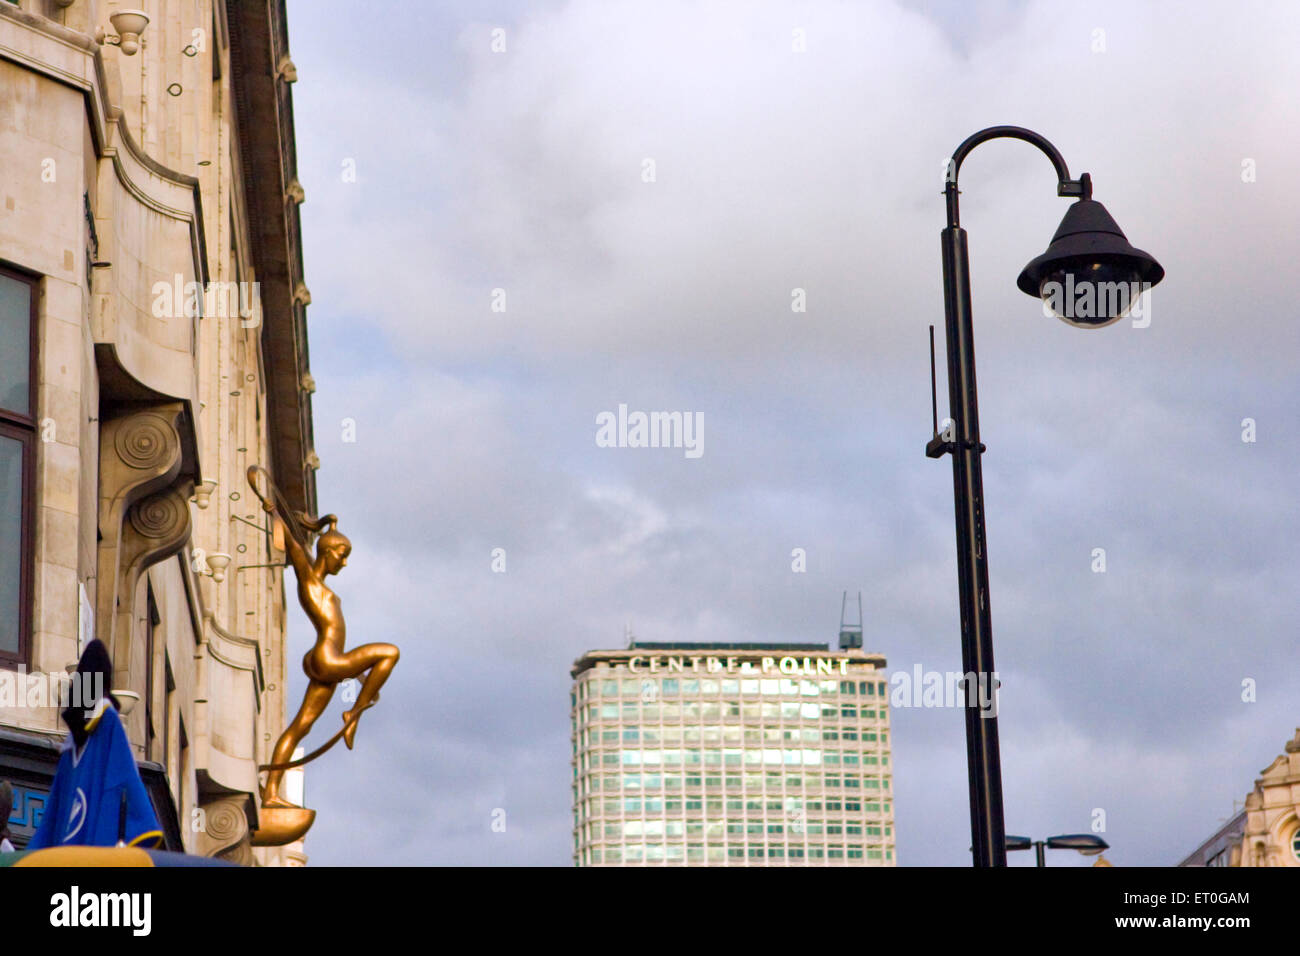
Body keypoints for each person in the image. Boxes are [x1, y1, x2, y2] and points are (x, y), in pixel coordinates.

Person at [253, 473, 399, 809]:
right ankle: (354, 715)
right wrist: (273, 511)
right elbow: (292, 544)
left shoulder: (323, 587)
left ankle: (271, 792)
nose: (344, 562)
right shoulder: (311, 583)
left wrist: (361, 676)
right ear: (328, 551)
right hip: (327, 659)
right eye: (342, 554)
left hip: (331, 663)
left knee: (300, 726)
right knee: (390, 652)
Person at [28, 640, 163, 849]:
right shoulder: (108, 722)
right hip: (93, 846)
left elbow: (53, 816)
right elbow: (126, 780)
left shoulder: (70, 747)